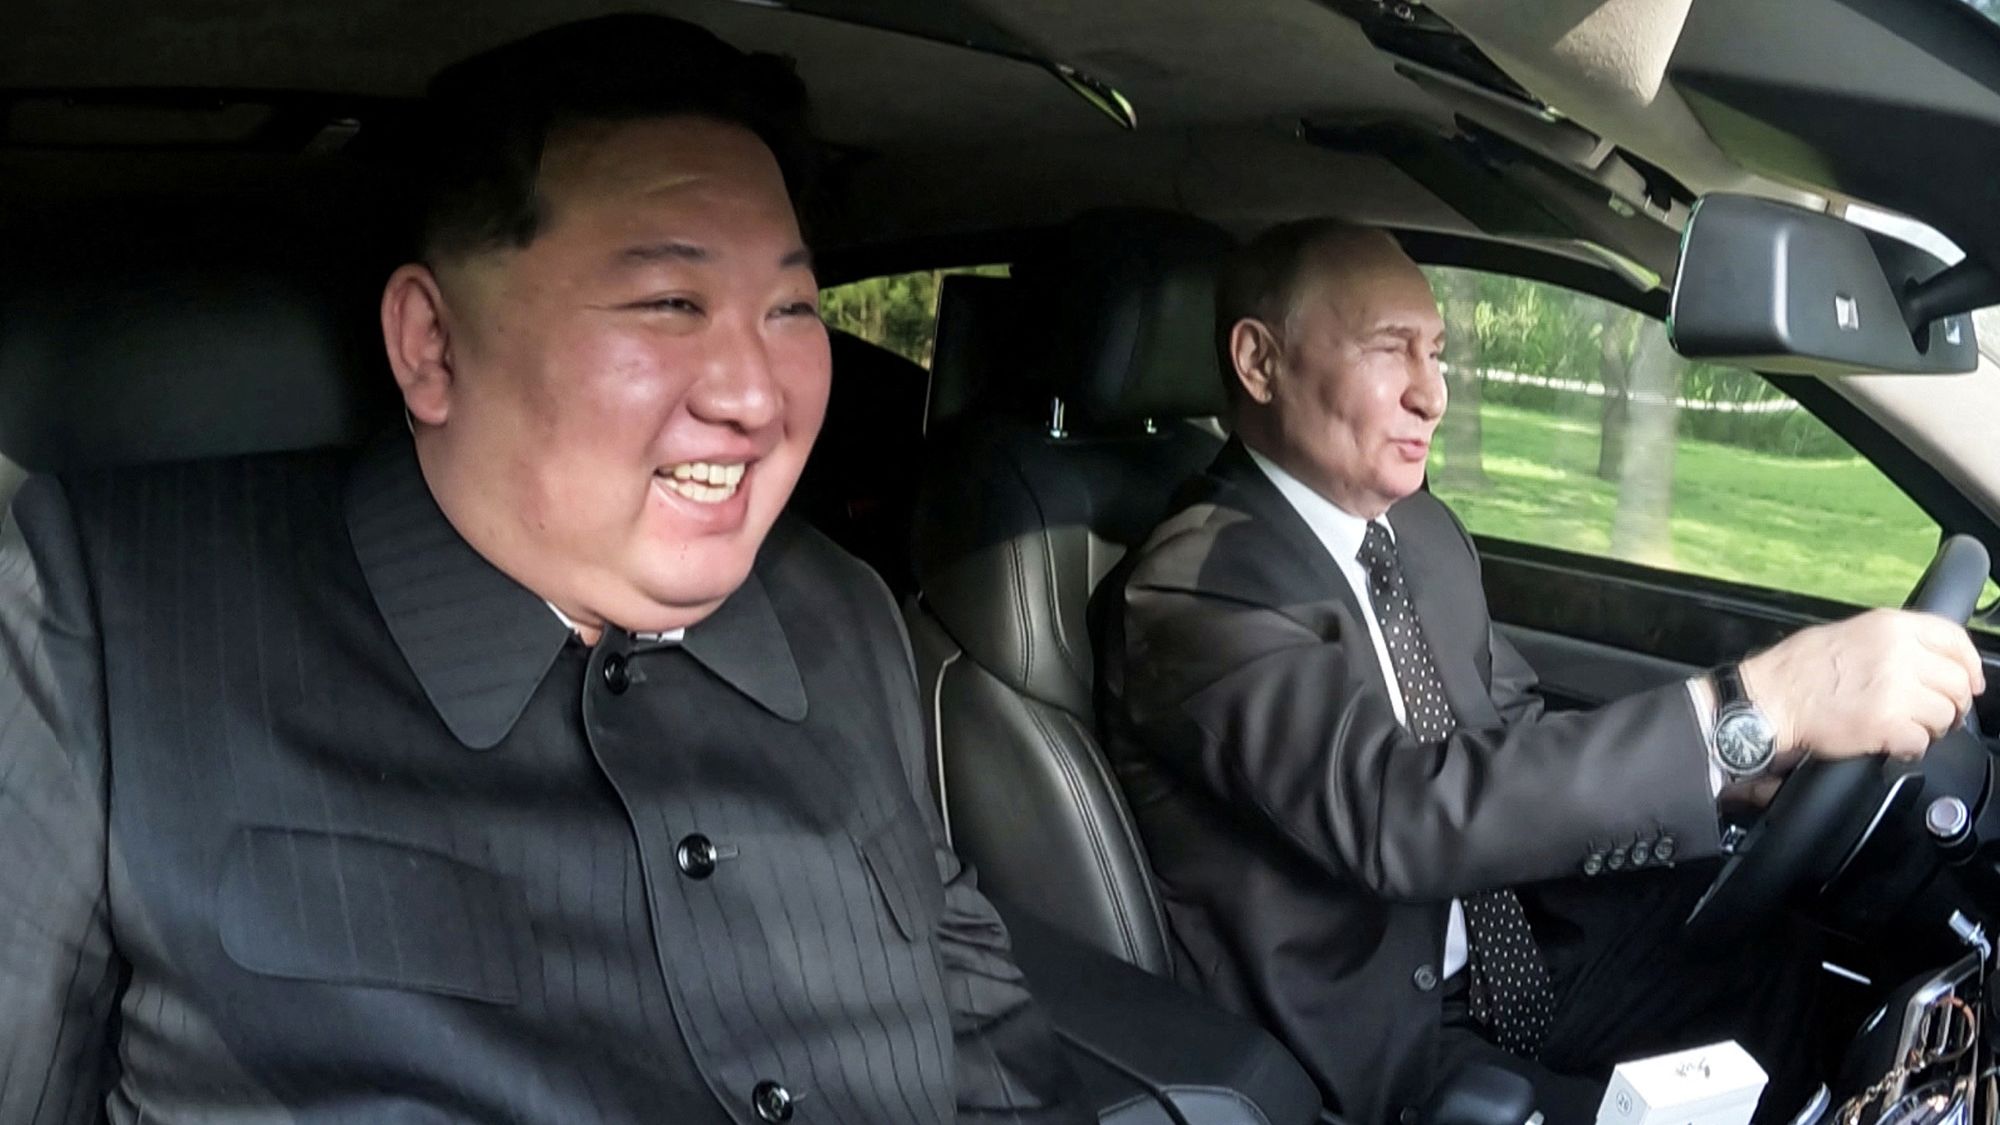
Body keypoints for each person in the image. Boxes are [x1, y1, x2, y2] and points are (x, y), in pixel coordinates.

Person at [0, 16, 1086, 1124]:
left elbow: (989, 1048)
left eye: (791, 309)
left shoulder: (840, 610)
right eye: (671, 303)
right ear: (432, 345)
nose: (756, 396)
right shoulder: (90, 621)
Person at [1096, 218, 1985, 1125]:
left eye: (1437, 351)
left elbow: (1511, 730)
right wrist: (1750, 708)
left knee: (1783, 968)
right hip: (1383, 1041)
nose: (1432, 393)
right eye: (1389, 348)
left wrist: (1740, 775)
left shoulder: (1420, 532)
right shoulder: (1197, 589)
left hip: (1525, 944)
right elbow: (1402, 814)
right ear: (1259, 362)